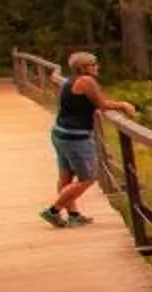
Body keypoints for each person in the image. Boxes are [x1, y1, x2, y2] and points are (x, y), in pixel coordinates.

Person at [43, 51, 134, 228]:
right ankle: (53, 211)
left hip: (60, 132)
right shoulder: (86, 81)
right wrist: (123, 105)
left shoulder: (70, 80)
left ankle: (74, 215)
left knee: (66, 176)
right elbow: (103, 104)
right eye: (94, 64)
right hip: (75, 136)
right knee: (88, 177)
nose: (97, 67)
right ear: (84, 67)